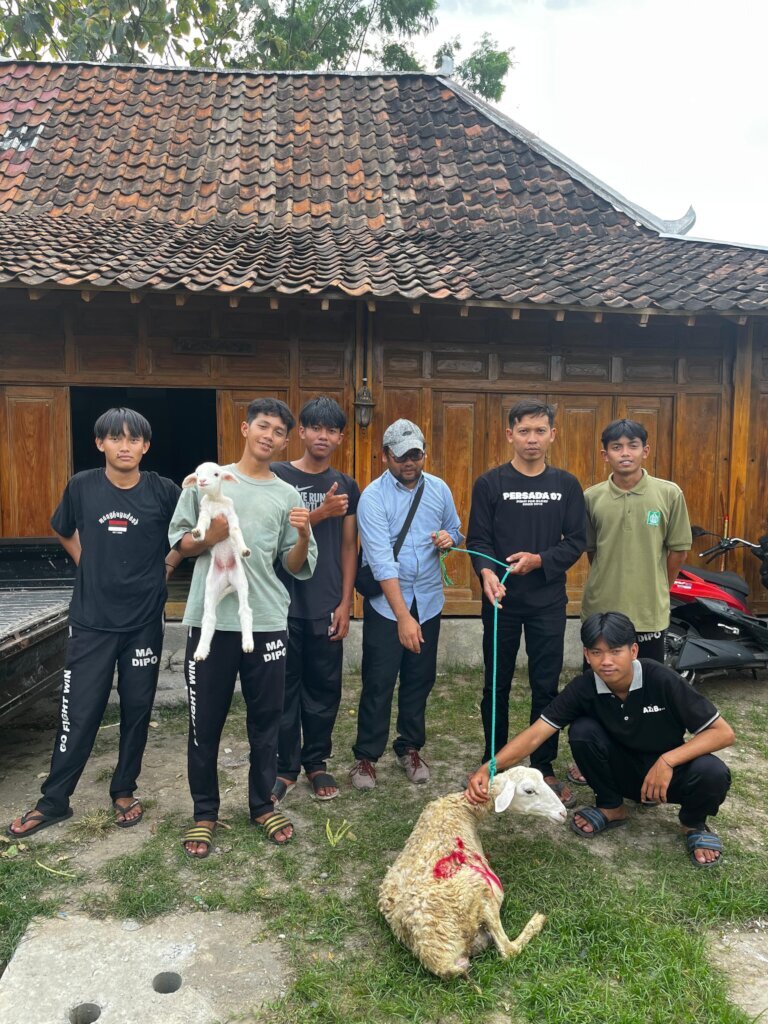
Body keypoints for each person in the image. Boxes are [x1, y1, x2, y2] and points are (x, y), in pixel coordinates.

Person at [7, 408, 182, 838]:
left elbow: (188, 534)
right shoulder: (82, 486)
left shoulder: (163, 490)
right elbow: (63, 528)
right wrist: (84, 560)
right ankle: (54, 800)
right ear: (99, 443)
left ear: (146, 446)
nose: (125, 446)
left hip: (143, 620)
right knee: (79, 711)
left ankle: (124, 790)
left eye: (134, 439)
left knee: (137, 708)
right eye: (115, 438)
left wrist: (168, 564)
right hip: (91, 620)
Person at [466, 612, 734, 867]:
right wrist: (489, 768)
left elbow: (722, 733)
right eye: (597, 652)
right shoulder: (584, 686)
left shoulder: (661, 678)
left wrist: (667, 761)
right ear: (586, 654)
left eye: (615, 651)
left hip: (666, 777)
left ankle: (693, 823)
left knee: (713, 771)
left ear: (633, 651)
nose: (606, 661)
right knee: (582, 731)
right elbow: (536, 734)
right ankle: (611, 807)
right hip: (621, 774)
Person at [169, 398, 317, 857]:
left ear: (285, 441)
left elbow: (294, 565)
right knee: (204, 722)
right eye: (263, 426)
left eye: (278, 431)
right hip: (210, 622)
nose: (269, 436)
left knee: (267, 720)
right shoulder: (208, 479)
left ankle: (261, 804)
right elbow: (180, 542)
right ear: (245, 428)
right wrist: (207, 538)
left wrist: (304, 535)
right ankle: (204, 812)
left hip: (266, 619)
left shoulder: (286, 496)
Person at [466, 399, 586, 808]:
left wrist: (540, 561)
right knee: (495, 683)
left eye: (539, 431)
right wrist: (486, 573)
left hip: (548, 600)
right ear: (510, 435)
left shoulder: (566, 485)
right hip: (501, 601)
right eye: (524, 431)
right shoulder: (490, 483)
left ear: (552, 434)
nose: (531, 439)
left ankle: (544, 764)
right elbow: (478, 540)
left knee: (545, 685)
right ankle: (494, 760)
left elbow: (576, 540)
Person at [566, 419, 693, 787]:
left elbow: (678, 550)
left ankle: (647, 757)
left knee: (648, 690)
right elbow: (592, 550)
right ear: (604, 454)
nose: (625, 453)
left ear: (645, 451)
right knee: (597, 687)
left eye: (632, 445)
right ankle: (592, 756)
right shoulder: (591, 498)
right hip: (601, 611)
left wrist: (657, 586)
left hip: (648, 612)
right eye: (616, 447)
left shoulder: (668, 494)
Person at [350, 418, 463, 790]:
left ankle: (410, 746)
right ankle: (366, 756)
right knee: (379, 680)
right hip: (388, 605)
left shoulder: (439, 489)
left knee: (419, 679)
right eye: (401, 457)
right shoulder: (373, 497)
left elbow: (456, 528)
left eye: (415, 455)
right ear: (385, 456)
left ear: (424, 453)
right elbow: (381, 562)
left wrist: (449, 538)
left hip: (428, 600)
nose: (409, 463)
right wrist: (402, 617)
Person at [270, 396, 360, 802]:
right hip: (281, 601)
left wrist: (345, 603)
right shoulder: (277, 476)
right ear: (301, 432)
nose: (323, 436)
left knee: (324, 687)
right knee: (283, 687)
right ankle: (285, 767)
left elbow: (348, 547)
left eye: (332, 430)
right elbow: (272, 534)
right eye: (315, 428)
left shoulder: (346, 485)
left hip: (325, 602)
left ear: (340, 437)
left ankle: (317, 762)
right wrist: (320, 514)